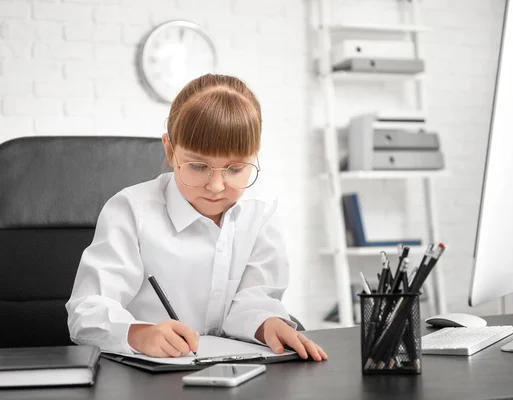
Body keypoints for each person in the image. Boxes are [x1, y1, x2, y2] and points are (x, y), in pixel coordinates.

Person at [66, 73, 327, 362]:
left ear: (254, 156)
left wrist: (268, 324)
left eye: (235, 169)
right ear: (169, 149)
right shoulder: (131, 210)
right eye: (198, 166)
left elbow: (253, 300)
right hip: (144, 377)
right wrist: (138, 334)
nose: (216, 187)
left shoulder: (260, 216)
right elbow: (86, 310)